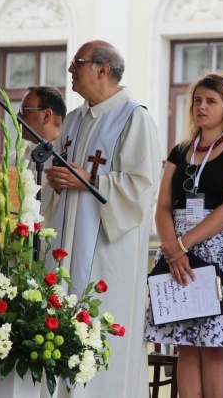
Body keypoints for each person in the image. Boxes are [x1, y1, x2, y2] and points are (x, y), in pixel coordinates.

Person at [42, 40, 162, 398]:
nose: (71, 70)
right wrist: (58, 182)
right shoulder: (76, 119)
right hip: (66, 242)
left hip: (108, 252)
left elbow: (142, 186)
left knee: (100, 328)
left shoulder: (134, 117)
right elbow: (61, 173)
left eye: (77, 63)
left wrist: (88, 179)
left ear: (103, 70)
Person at [144, 72, 223, 397]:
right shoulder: (180, 151)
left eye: (211, 101)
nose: (201, 107)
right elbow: (163, 205)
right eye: (197, 100)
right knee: (185, 344)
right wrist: (173, 249)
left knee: (214, 344)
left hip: (220, 252)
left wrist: (182, 244)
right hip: (177, 253)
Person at [17, 85, 66, 169]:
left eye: (25, 111)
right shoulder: (16, 158)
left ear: (46, 116)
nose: (18, 116)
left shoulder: (66, 158)